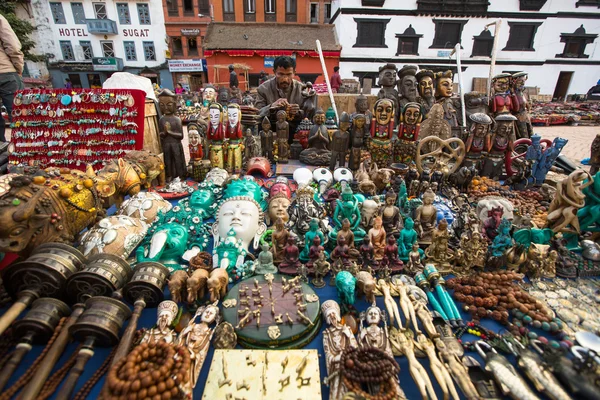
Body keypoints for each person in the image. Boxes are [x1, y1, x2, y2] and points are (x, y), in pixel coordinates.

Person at [255, 56, 316, 139]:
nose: (285, 79)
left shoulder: (302, 89)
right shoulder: (263, 89)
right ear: (274, 72)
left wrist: (297, 112)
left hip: (295, 131)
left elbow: (309, 115)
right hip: (271, 130)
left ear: (294, 73)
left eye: (289, 74)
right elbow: (257, 114)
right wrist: (272, 106)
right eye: (280, 74)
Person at [0, 14, 24, 143]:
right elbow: (12, 45)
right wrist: (18, 67)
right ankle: (23, 150)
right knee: (19, 113)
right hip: (5, 72)